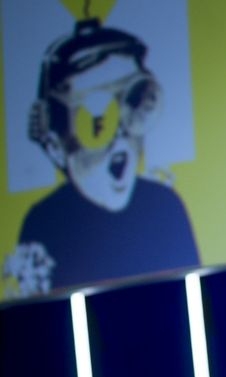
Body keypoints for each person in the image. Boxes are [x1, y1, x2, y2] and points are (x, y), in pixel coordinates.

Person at [10, 17, 199, 295]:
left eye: (134, 102)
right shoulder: (43, 224)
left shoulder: (163, 206)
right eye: (96, 121)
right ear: (54, 145)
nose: (120, 135)